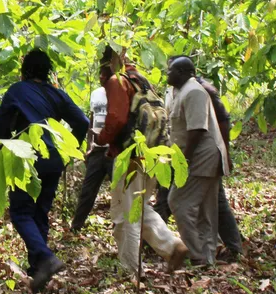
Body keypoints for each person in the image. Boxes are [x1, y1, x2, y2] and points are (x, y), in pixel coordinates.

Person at [0, 49, 89, 293]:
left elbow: (0, 129)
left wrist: (1, 148)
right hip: (53, 159)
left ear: (25, 71)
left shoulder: (17, 91)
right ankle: (38, 271)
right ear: (47, 72)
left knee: (21, 213)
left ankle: (45, 257)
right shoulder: (57, 94)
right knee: (40, 212)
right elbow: (83, 122)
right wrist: (69, 150)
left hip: (26, 157)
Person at [95, 47, 188, 273]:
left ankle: (130, 269)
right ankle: (171, 245)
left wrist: (102, 138)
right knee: (138, 208)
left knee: (129, 214)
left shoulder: (118, 82)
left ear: (112, 62)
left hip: (130, 155)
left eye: (103, 66)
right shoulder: (141, 80)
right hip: (152, 154)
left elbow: (116, 118)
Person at [158, 56, 243, 262]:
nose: (167, 74)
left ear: (184, 73)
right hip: (194, 156)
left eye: (171, 71)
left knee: (177, 201)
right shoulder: (176, 92)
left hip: (202, 157)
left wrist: (184, 161)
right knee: (207, 209)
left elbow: (197, 130)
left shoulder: (194, 91)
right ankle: (207, 257)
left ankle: (197, 254)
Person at [70, 71, 114, 232]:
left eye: (105, 74)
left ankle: (120, 228)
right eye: (100, 74)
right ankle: (76, 226)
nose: (101, 76)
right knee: (87, 190)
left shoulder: (120, 93)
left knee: (119, 192)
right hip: (97, 150)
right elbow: (92, 119)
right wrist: (89, 145)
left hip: (114, 149)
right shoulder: (96, 94)